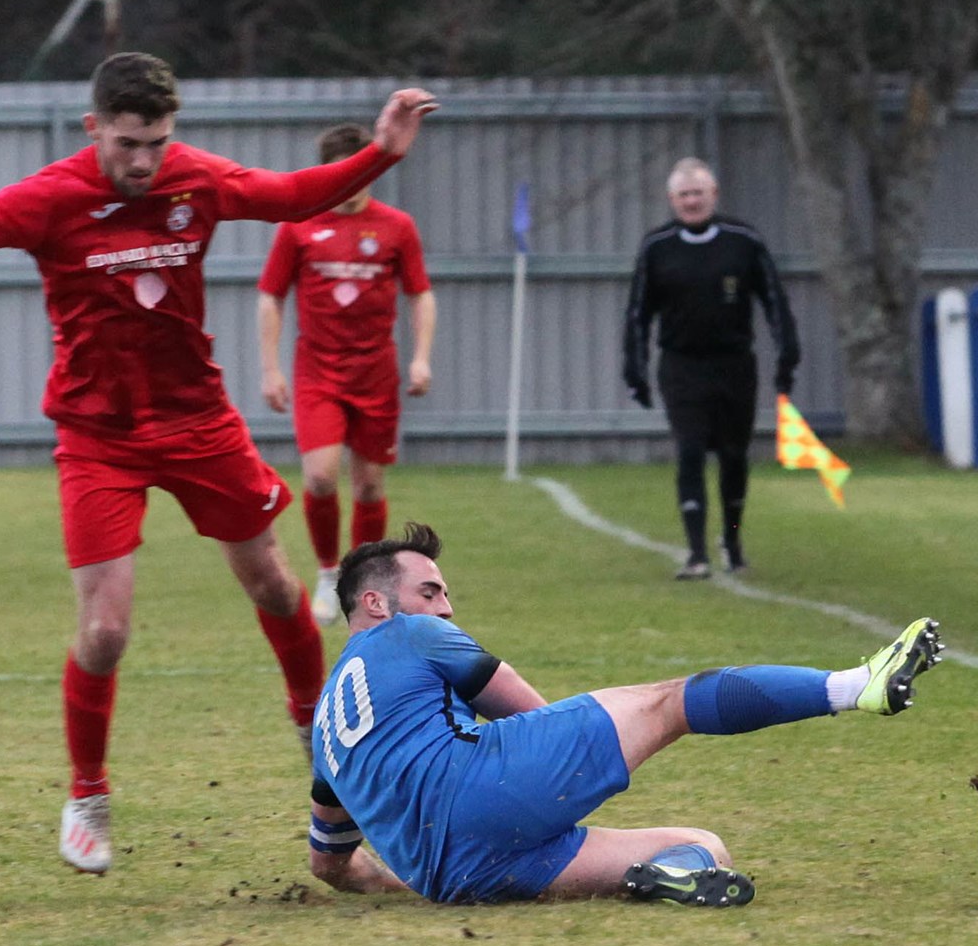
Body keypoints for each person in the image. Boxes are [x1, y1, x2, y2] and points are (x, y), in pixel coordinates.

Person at [0, 52, 437, 875]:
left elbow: (292, 196)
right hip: (97, 435)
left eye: (155, 142)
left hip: (198, 423)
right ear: (93, 129)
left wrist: (384, 152)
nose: (143, 162)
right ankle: (88, 793)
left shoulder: (196, 180)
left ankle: (315, 728)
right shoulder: (52, 198)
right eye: (126, 144)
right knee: (106, 629)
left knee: (277, 587)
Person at [304, 523, 942, 906]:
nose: (446, 607)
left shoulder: (326, 728)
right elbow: (534, 714)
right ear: (377, 603)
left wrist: (402, 886)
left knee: (701, 848)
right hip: (489, 792)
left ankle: (663, 881)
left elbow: (328, 865)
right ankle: (858, 684)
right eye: (430, 591)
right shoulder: (412, 635)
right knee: (668, 703)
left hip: (453, 875)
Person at [257, 122, 436, 626]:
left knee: (371, 488)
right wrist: (270, 369)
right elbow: (270, 295)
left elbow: (420, 293)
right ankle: (328, 573)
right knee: (318, 476)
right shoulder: (299, 225)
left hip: (375, 373)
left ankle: (364, 584)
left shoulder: (397, 226)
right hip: (318, 372)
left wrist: (421, 356)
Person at [622, 157, 801, 580]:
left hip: (735, 365)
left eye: (698, 193)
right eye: (683, 195)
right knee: (689, 452)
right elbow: (637, 314)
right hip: (682, 366)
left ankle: (733, 542)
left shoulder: (743, 241)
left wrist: (787, 354)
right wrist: (636, 369)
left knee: (735, 457)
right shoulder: (657, 247)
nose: (691, 201)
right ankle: (697, 552)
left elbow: (775, 301)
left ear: (713, 195)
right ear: (672, 200)